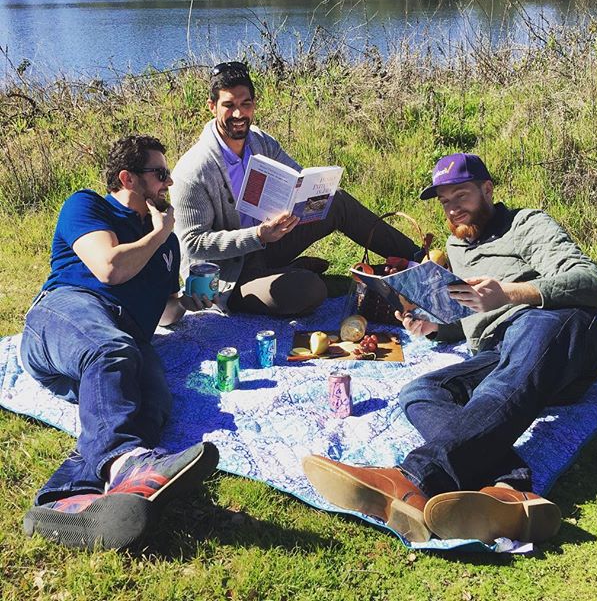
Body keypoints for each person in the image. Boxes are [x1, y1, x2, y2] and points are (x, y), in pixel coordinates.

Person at [302, 153, 597, 545]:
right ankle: (509, 492)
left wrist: (509, 294)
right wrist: (436, 327)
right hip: (501, 350)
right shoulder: (456, 244)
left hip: (561, 331)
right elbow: (473, 312)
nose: (452, 208)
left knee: (516, 360)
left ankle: (411, 480)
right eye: (445, 201)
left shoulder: (527, 224)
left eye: (460, 195)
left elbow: (592, 281)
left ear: (487, 189)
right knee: (420, 392)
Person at [19, 135, 219, 550]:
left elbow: (164, 313)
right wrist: (159, 234)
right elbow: (109, 268)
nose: (168, 184)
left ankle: (66, 500)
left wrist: (185, 301)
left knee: (153, 401)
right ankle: (127, 463)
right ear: (127, 177)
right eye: (160, 174)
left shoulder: (166, 243)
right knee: (110, 349)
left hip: (125, 336)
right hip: (65, 315)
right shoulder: (88, 206)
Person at [170, 61, 423, 316]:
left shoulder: (260, 142)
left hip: (270, 244)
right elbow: (192, 243)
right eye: (229, 105)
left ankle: (420, 260)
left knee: (336, 202)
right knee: (307, 289)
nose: (238, 114)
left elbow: (298, 180)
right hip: (230, 274)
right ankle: (295, 275)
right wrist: (257, 236)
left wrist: (311, 194)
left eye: (245, 104)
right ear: (212, 106)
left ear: (254, 104)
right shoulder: (194, 170)